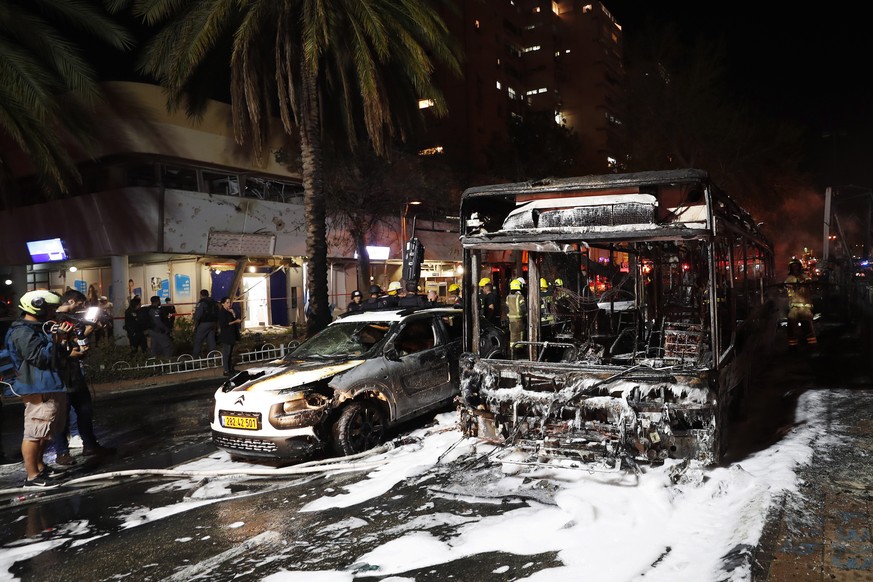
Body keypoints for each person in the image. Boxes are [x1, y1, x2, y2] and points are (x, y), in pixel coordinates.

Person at [4, 290, 70, 488]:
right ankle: (32, 476)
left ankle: (40, 468)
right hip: (37, 386)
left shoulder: (37, 328)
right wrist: (54, 340)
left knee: (44, 431)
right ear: (37, 306)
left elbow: (55, 356)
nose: (53, 312)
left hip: (48, 384)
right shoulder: (22, 332)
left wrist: (61, 340)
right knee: (34, 433)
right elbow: (40, 358)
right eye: (50, 308)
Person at [52, 290, 115, 466]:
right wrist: (73, 349)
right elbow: (59, 347)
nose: (82, 307)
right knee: (61, 416)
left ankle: (90, 445)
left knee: (84, 411)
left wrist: (89, 330)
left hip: (74, 374)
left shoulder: (69, 318)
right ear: (71, 301)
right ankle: (61, 452)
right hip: (61, 376)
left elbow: (76, 338)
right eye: (80, 304)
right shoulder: (55, 320)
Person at [785, 258, 817, 350]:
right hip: (794, 309)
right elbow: (784, 288)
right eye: (793, 266)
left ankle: (812, 348)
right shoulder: (789, 279)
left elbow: (810, 282)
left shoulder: (805, 277)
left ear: (799, 267)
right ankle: (793, 348)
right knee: (791, 330)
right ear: (790, 268)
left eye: (796, 266)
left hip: (805, 309)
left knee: (808, 329)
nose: (795, 268)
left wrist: (806, 282)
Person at [191, 290, 219, 357]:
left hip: (204, 323)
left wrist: (195, 324)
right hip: (213, 323)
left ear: (201, 295)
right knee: (211, 340)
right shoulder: (213, 301)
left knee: (198, 340)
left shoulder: (202, 302)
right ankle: (212, 357)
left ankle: (195, 357)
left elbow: (198, 314)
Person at [218, 297, 242, 376]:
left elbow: (233, 320)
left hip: (231, 334)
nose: (229, 304)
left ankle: (230, 368)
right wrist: (235, 321)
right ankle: (226, 370)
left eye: (229, 302)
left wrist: (233, 313)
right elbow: (224, 324)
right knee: (226, 353)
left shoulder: (228, 311)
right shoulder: (222, 312)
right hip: (226, 335)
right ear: (223, 303)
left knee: (230, 353)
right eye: (227, 302)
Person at [506, 278, 527, 357]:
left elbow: (507, 309)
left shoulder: (508, 297)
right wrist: (526, 315)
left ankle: (512, 353)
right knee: (520, 336)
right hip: (519, 320)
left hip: (511, 320)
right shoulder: (520, 297)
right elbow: (523, 308)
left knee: (512, 336)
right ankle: (520, 353)